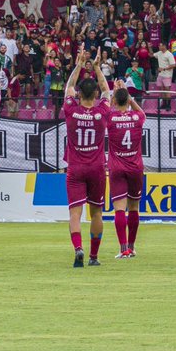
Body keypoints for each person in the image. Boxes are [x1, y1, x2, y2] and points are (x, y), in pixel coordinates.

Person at [62, 47, 112, 268]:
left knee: (75, 212)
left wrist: (80, 64)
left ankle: (78, 247)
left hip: (76, 168)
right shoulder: (102, 112)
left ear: (80, 95)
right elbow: (107, 91)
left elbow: (68, 88)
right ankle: (93, 256)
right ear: (95, 95)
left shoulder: (72, 110)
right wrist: (98, 68)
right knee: (97, 212)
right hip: (97, 168)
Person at [107, 79, 146, 258]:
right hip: (135, 167)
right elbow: (142, 112)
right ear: (128, 100)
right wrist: (129, 98)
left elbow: (105, 108)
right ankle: (132, 246)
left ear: (115, 101)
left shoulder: (111, 118)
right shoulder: (137, 118)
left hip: (117, 167)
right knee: (134, 208)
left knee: (120, 209)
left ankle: (123, 249)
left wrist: (113, 93)